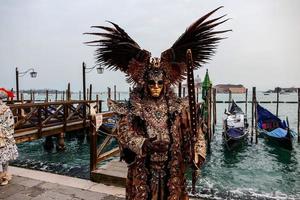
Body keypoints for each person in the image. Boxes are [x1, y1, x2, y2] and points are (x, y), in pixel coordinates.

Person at [86, 7, 229, 200]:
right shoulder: (133, 107)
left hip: (173, 171)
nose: (155, 86)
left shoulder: (180, 108)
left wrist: (197, 154)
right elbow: (124, 132)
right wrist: (143, 143)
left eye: (159, 82)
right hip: (143, 171)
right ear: (145, 82)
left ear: (165, 83)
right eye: (152, 82)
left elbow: (196, 133)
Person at [0, 88, 18, 186]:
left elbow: (10, 123)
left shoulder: (6, 109)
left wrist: (3, 130)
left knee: (4, 157)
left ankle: (5, 176)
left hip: (4, 136)